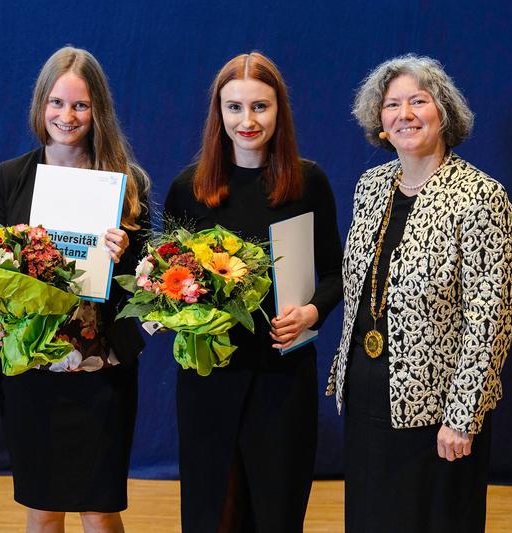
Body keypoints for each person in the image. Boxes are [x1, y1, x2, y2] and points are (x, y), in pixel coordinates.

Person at [326, 54, 512, 533]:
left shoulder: (480, 196)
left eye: (419, 100)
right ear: (380, 121)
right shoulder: (370, 186)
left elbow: (490, 319)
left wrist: (463, 415)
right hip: (369, 395)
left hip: (438, 411)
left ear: (444, 113)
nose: (404, 114)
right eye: (392, 104)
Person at [163, 52, 343, 532]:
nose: (247, 120)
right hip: (208, 382)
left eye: (260, 107)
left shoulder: (309, 183)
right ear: (218, 113)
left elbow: (335, 273)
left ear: (279, 110)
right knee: (211, 514)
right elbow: (167, 282)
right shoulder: (188, 189)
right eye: (235, 107)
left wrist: (310, 313)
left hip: (282, 381)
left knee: (277, 516)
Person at [0, 46, 151, 533]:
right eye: (56, 103)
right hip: (33, 366)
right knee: (42, 506)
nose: (67, 115)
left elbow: (145, 284)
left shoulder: (126, 181)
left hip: (103, 371)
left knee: (99, 510)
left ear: (98, 109)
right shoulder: (10, 178)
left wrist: (128, 256)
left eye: (80, 105)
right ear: (40, 106)